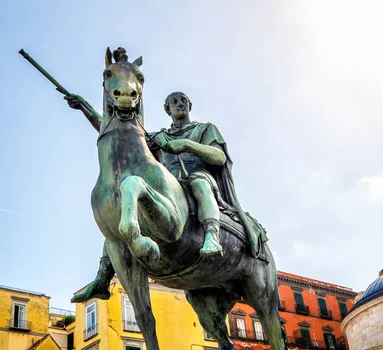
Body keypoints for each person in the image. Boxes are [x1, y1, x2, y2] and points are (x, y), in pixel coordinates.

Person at [68, 91, 266, 303]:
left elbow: (219, 157)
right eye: (174, 101)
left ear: (189, 105)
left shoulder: (204, 129)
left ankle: (212, 236)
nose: (179, 104)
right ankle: (104, 274)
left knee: (200, 185)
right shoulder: (160, 137)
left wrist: (187, 145)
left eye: (183, 100)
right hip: (169, 187)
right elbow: (120, 131)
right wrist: (85, 108)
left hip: (197, 175)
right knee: (121, 210)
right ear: (167, 109)